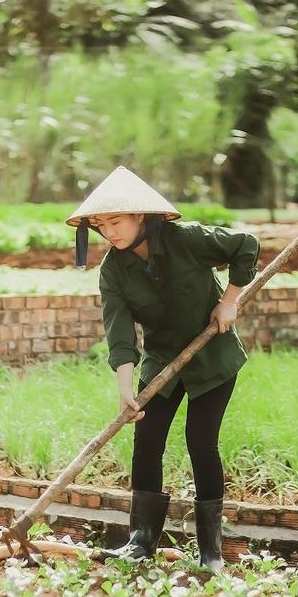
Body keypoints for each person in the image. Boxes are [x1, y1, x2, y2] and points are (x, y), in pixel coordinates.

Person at [67, 166, 260, 572]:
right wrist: (125, 388)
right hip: (161, 362)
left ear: (141, 215)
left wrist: (230, 300)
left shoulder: (186, 239)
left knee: (200, 440)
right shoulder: (113, 270)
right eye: (101, 226)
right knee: (147, 439)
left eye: (116, 221)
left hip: (213, 357)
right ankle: (141, 541)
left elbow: (246, 245)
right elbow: (118, 330)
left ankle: (211, 550)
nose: (110, 233)